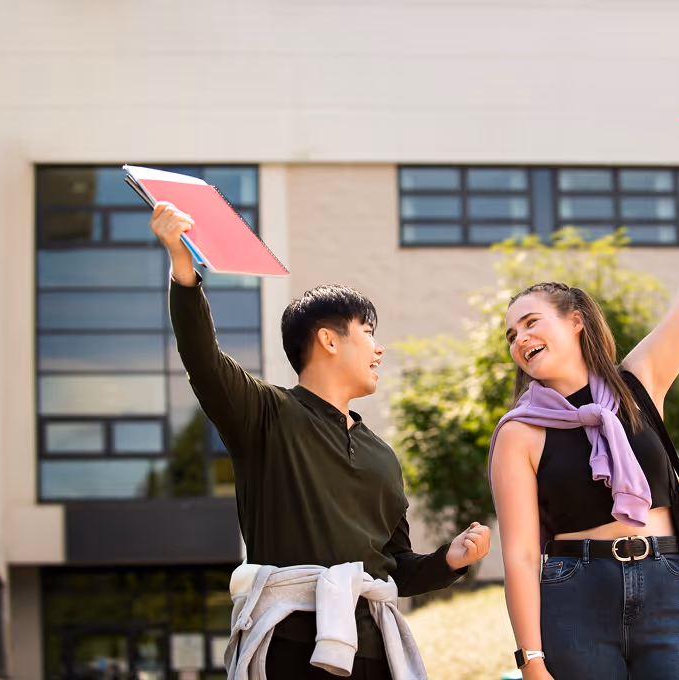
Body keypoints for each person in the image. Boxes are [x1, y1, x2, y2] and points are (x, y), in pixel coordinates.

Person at [150, 203, 491, 679]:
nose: (379, 349)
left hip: (375, 649)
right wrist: (183, 269)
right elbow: (203, 360)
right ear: (329, 341)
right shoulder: (266, 415)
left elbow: (392, 566)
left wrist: (448, 561)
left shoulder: (381, 455)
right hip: (290, 645)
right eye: (368, 333)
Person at [489, 139, 679, 680]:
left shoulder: (638, 384)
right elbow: (522, 556)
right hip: (575, 595)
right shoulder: (519, 434)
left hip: (670, 580)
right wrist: (532, 660)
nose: (520, 339)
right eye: (510, 334)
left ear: (575, 320)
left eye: (530, 322)